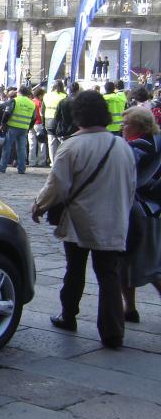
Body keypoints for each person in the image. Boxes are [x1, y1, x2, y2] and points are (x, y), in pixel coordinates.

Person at [31, 90, 136, 348]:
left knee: (75, 269)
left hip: (80, 218)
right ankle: (113, 332)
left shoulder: (72, 146)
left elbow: (57, 185)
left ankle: (68, 315)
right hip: (113, 218)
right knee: (108, 273)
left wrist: (39, 206)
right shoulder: (122, 146)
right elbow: (131, 185)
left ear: (77, 115)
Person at [119, 107, 161, 323]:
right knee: (131, 262)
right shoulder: (156, 141)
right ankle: (129, 308)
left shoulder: (139, 147)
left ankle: (130, 307)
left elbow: (123, 172)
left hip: (139, 210)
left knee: (147, 265)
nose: (122, 127)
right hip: (153, 208)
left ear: (140, 126)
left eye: (127, 123)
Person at [0, 86, 35, 174]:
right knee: (22, 149)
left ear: (19, 92)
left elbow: (7, 113)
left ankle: (2, 167)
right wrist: (29, 127)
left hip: (12, 126)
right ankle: (21, 168)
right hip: (24, 128)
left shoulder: (15, 101)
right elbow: (34, 118)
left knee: (7, 147)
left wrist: (3, 123)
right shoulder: (32, 103)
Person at [29, 88, 48, 166]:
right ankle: (41, 161)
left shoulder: (31, 102)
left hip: (30, 124)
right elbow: (41, 114)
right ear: (40, 95)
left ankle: (31, 161)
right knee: (41, 143)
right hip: (39, 123)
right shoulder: (40, 103)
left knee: (32, 143)